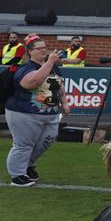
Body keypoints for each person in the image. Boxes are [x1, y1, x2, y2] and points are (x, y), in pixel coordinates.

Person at [5, 34, 66, 187]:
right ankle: (17, 175)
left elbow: (59, 86)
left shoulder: (54, 67)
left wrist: (64, 103)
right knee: (23, 144)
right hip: (24, 113)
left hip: (50, 114)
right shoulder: (25, 68)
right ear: (30, 51)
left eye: (45, 48)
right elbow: (32, 82)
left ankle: (28, 164)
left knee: (46, 141)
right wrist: (50, 61)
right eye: (39, 48)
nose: (43, 50)